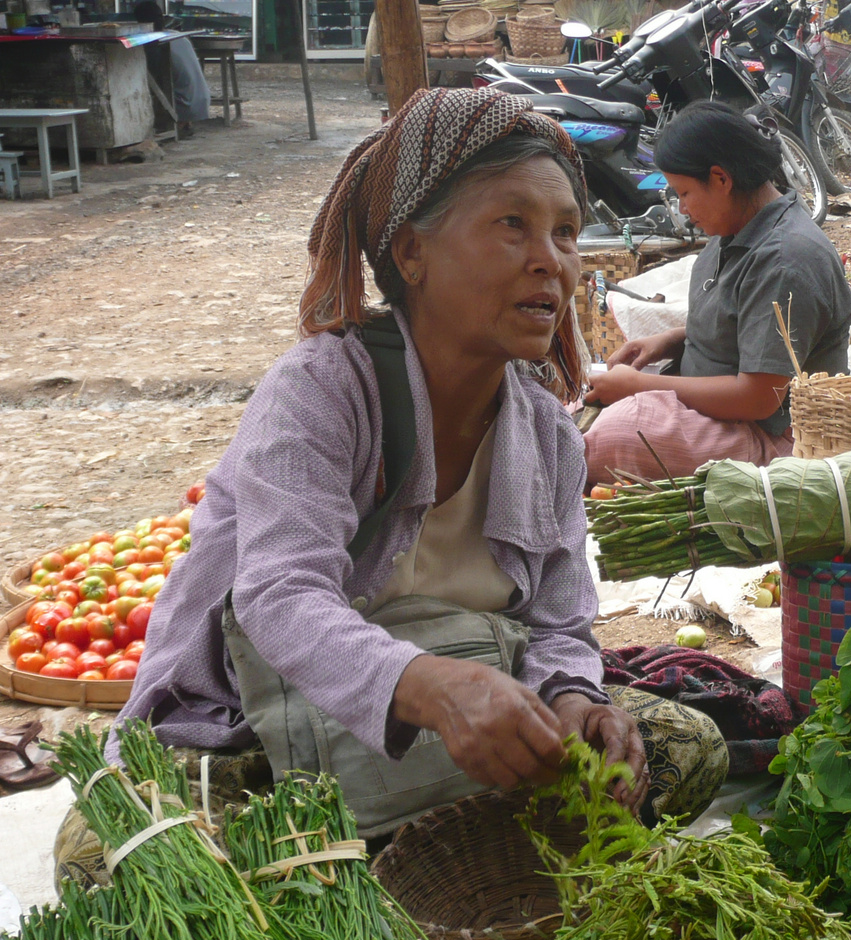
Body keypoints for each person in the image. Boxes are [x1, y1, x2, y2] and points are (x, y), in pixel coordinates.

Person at [98, 88, 727, 848]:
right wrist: (426, 687)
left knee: (682, 747)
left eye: (566, 233)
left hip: (465, 717)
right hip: (277, 729)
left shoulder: (549, 436)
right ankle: (418, 843)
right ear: (412, 252)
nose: (550, 261)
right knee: (120, 849)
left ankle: (408, 844)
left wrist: (571, 700)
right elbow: (281, 594)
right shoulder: (325, 389)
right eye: (512, 225)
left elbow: (560, 622)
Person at [583, 101, 851, 486]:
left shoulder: (786, 261)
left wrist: (641, 385)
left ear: (721, 179)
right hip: (723, 411)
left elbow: (759, 397)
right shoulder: (734, 230)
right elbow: (741, 328)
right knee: (571, 417)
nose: (682, 209)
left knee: (612, 437)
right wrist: (669, 342)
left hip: (772, 436)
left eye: (684, 193)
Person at [133, 1, 211, 133]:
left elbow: (150, 79)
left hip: (184, 106)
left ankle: (175, 123)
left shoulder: (155, 45)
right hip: (201, 102)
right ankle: (184, 122)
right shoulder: (177, 36)